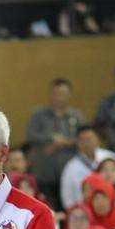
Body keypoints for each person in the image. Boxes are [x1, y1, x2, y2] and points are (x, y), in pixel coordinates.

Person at [24, 78, 85, 211]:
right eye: (56, 93)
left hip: (68, 173)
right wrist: (51, 138)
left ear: (69, 95)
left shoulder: (76, 116)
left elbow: (83, 138)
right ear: (51, 94)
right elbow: (30, 135)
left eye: (63, 94)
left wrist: (65, 142)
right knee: (45, 209)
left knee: (69, 208)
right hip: (44, 173)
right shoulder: (38, 115)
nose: (59, 97)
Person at [59, 125, 115, 209]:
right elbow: (67, 197)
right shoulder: (70, 168)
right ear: (77, 143)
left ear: (97, 139)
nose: (86, 143)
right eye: (82, 140)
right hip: (84, 214)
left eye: (89, 139)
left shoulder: (111, 157)